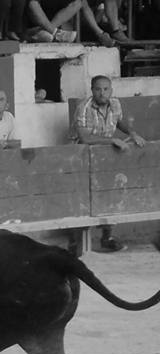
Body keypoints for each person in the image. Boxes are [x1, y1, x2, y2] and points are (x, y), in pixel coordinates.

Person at [72, 75, 147, 252]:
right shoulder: (84, 107)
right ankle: (76, 242)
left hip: (106, 155)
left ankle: (107, 237)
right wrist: (112, 141)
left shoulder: (115, 104)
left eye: (106, 89)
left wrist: (132, 133)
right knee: (83, 198)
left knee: (109, 193)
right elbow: (84, 138)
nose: (102, 92)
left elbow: (119, 121)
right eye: (98, 89)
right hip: (82, 156)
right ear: (92, 90)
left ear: (111, 90)